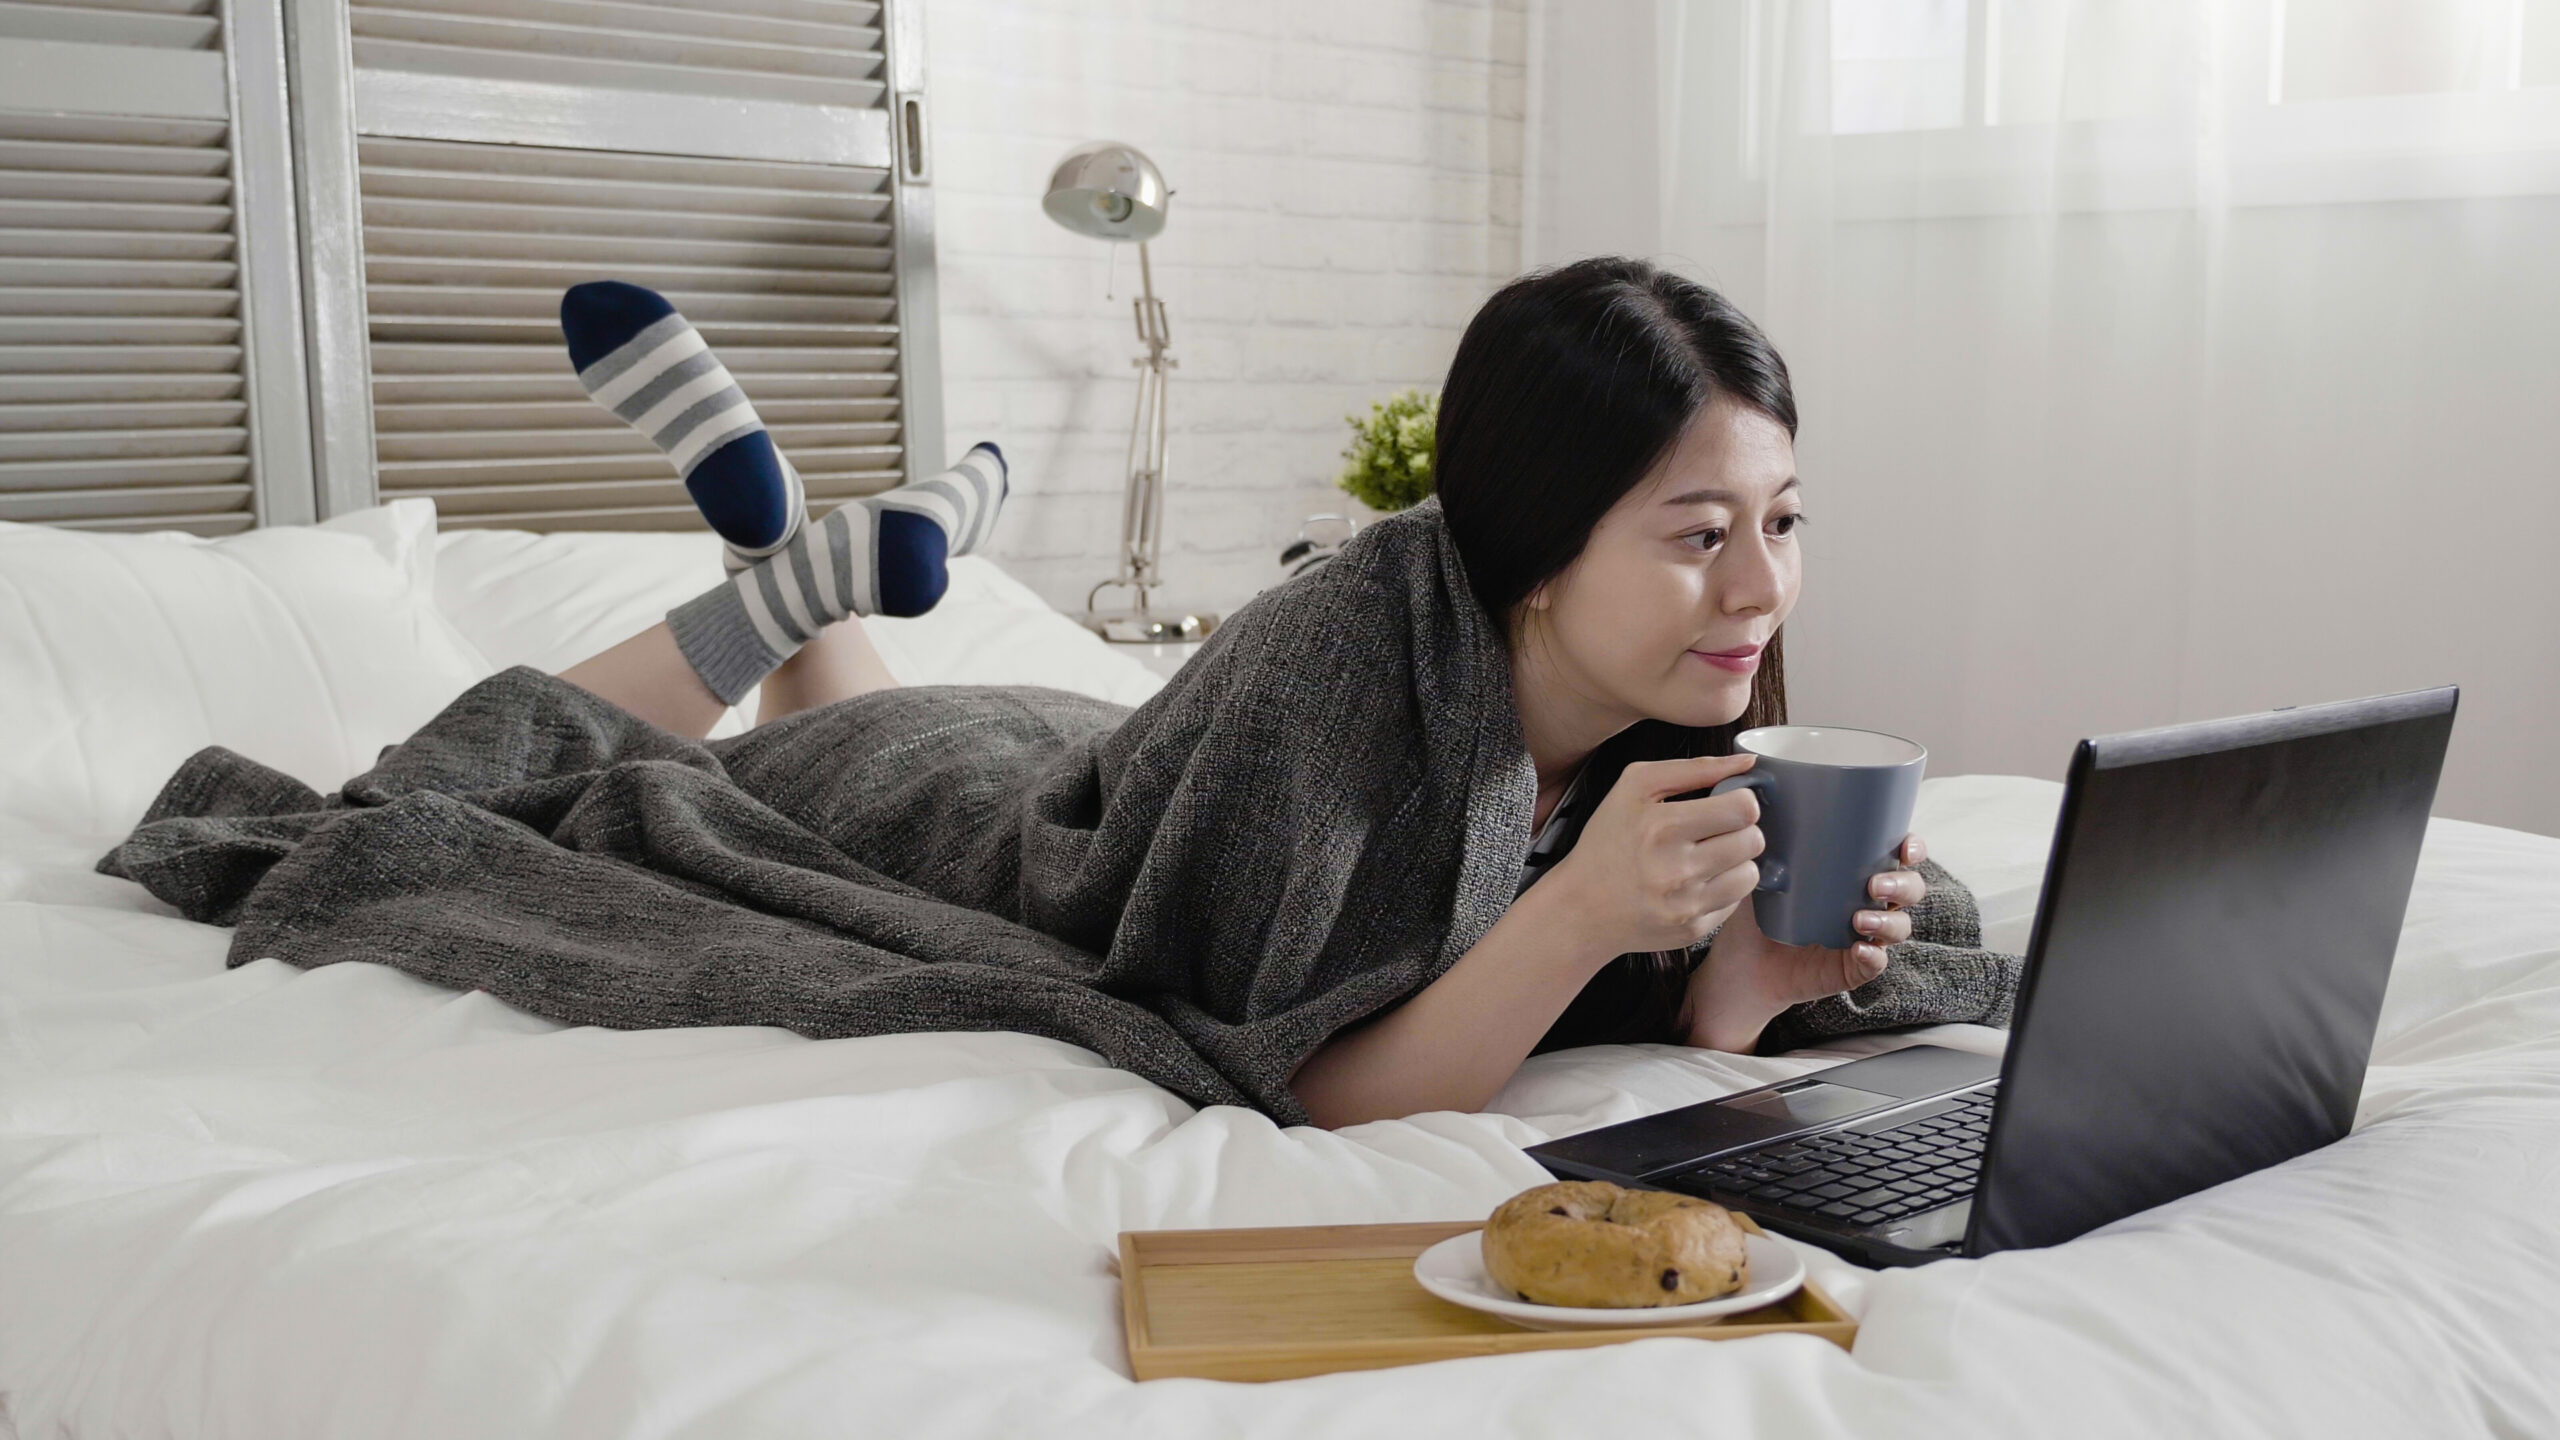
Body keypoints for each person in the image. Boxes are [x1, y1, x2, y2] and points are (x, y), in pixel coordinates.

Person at [542, 260, 2012, 1129]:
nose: (1761, 587)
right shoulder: (1343, 656)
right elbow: (1296, 1081)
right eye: (1701, 534)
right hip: (968, 815)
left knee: (821, 698)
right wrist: (1579, 916)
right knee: (572, 768)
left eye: (1787, 520)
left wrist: (1729, 1001)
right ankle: (783, 587)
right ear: (1540, 551)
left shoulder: (1695, 693)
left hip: (1083, 736)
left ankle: (791, 554)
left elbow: (1704, 979)